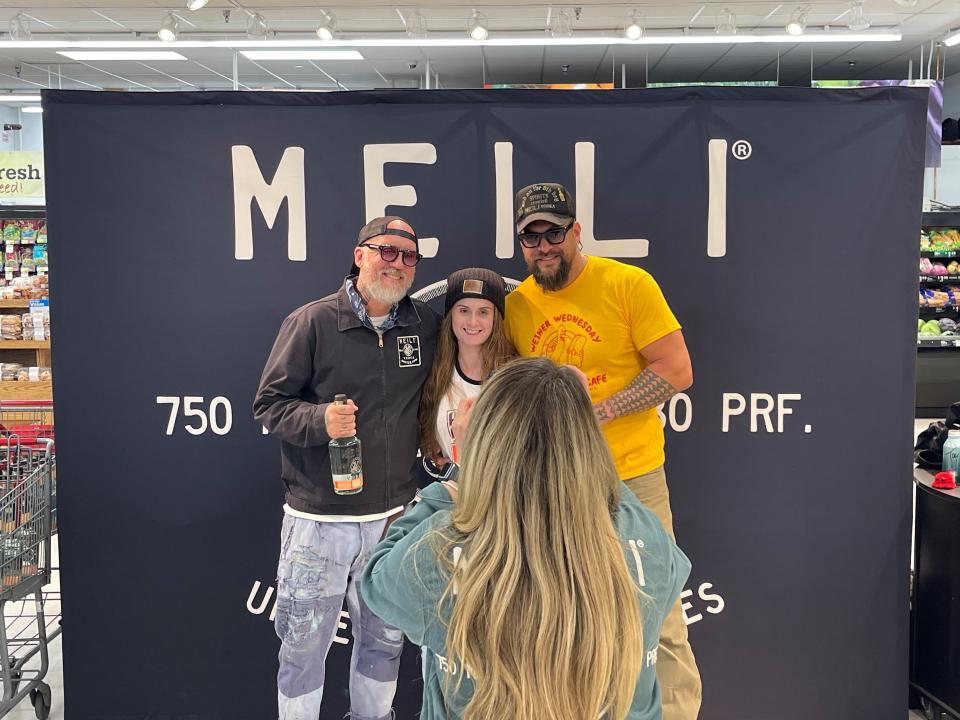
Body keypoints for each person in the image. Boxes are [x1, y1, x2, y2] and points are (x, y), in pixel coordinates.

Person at [360, 357, 691, 720]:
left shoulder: (439, 553)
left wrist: (464, 466)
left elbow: (378, 579)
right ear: (587, 445)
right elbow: (614, 497)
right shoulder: (641, 540)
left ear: (485, 447)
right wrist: (572, 414)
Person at [503, 182, 701, 720]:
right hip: (559, 488)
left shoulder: (627, 284)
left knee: (658, 617)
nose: (543, 246)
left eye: (553, 233)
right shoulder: (517, 305)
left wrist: (600, 410)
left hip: (633, 480)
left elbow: (677, 370)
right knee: (569, 620)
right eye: (530, 237)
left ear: (576, 232)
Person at [253, 215, 439, 720]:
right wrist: (320, 420)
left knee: (385, 645)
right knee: (303, 648)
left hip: (394, 521)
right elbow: (268, 406)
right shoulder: (312, 321)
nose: (398, 264)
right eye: (387, 251)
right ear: (360, 255)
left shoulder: (422, 326)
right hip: (318, 524)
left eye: (409, 256)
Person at [417, 267, 516, 470]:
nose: (472, 321)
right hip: (452, 495)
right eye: (463, 310)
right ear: (451, 315)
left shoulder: (513, 377)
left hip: (502, 496)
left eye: (483, 312)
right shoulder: (434, 371)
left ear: (496, 318)